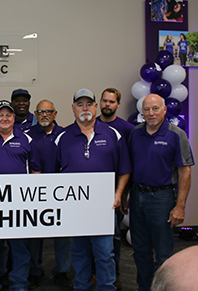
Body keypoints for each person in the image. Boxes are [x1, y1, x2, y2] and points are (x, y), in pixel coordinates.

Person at [54, 88, 131, 291]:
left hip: (104, 206)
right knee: (78, 250)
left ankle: (107, 287)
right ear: (73, 109)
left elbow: (124, 169)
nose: (85, 108)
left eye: (89, 103)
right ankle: (82, 286)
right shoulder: (62, 137)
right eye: (80, 104)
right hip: (74, 206)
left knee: (105, 251)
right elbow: (53, 174)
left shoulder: (113, 134)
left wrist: (118, 194)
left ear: (96, 107)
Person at [128, 94, 194, 291]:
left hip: (162, 198)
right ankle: (144, 287)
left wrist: (180, 206)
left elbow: (185, 171)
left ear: (164, 110)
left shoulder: (176, 135)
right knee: (140, 250)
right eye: (146, 110)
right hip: (137, 195)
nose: (151, 113)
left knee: (163, 252)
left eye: (155, 108)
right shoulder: (135, 134)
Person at [0, 100, 40, 291]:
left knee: (20, 248)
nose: (5, 118)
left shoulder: (26, 140)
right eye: (0, 115)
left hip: (19, 204)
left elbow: (35, 171)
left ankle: (19, 285)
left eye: (8, 115)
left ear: (14, 118)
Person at [27, 99, 72, 290]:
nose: (44, 115)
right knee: (34, 234)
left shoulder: (65, 135)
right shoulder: (27, 136)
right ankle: (35, 271)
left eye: (48, 112)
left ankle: (61, 271)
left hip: (59, 192)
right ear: (35, 115)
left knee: (63, 235)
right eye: (40, 112)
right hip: (34, 191)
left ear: (55, 114)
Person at [97, 88, 135, 289]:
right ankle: (94, 275)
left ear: (118, 104)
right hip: (89, 196)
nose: (107, 105)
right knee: (89, 239)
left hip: (115, 195)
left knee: (113, 238)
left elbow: (127, 165)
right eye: (104, 101)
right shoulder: (90, 124)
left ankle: (115, 274)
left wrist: (123, 194)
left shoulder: (127, 129)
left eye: (111, 102)